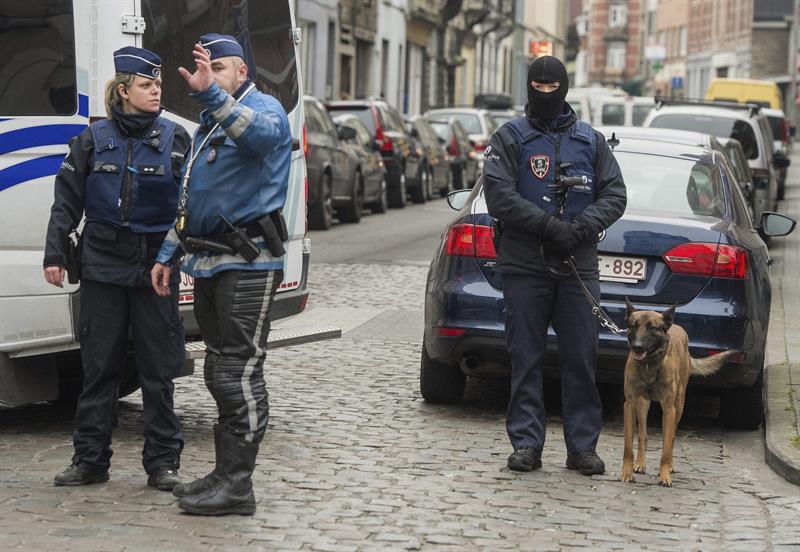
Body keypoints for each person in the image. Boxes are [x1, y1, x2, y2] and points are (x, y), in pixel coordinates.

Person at [150, 34, 291, 516]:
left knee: (238, 372)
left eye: (220, 69)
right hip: (209, 260)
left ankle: (238, 486)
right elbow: (192, 201)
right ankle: (223, 473)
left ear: (242, 73)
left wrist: (212, 91)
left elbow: (260, 137)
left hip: (248, 263)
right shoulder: (209, 124)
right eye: (204, 69)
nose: (209, 77)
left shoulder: (266, 109)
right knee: (218, 369)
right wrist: (168, 253)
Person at [44, 47, 190, 490]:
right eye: (147, 86)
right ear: (124, 90)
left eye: (158, 85)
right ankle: (90, 461)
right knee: (99, 369)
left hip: (154, 270)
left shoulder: (176, 139)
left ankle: (162, 464)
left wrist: (184, 257)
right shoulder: (91, 140)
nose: (156, 92)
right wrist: (54, 255)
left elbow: (189, 205)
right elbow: (66, 202)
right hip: (103, 267)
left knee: (157, 371)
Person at [483, 56, 627, 475]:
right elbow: (500, 197)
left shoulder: (591, 141)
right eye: (538, 86)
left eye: (553, 87)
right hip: (525, 265)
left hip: (577, 265)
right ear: (528, 87)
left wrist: (581, 227)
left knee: (581, 358)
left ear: (565, 89)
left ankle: (582, 447)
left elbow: (615, 195)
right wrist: (547, 225)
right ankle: (527, 443)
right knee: (525, 358)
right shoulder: (509, 138)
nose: (545, 93)